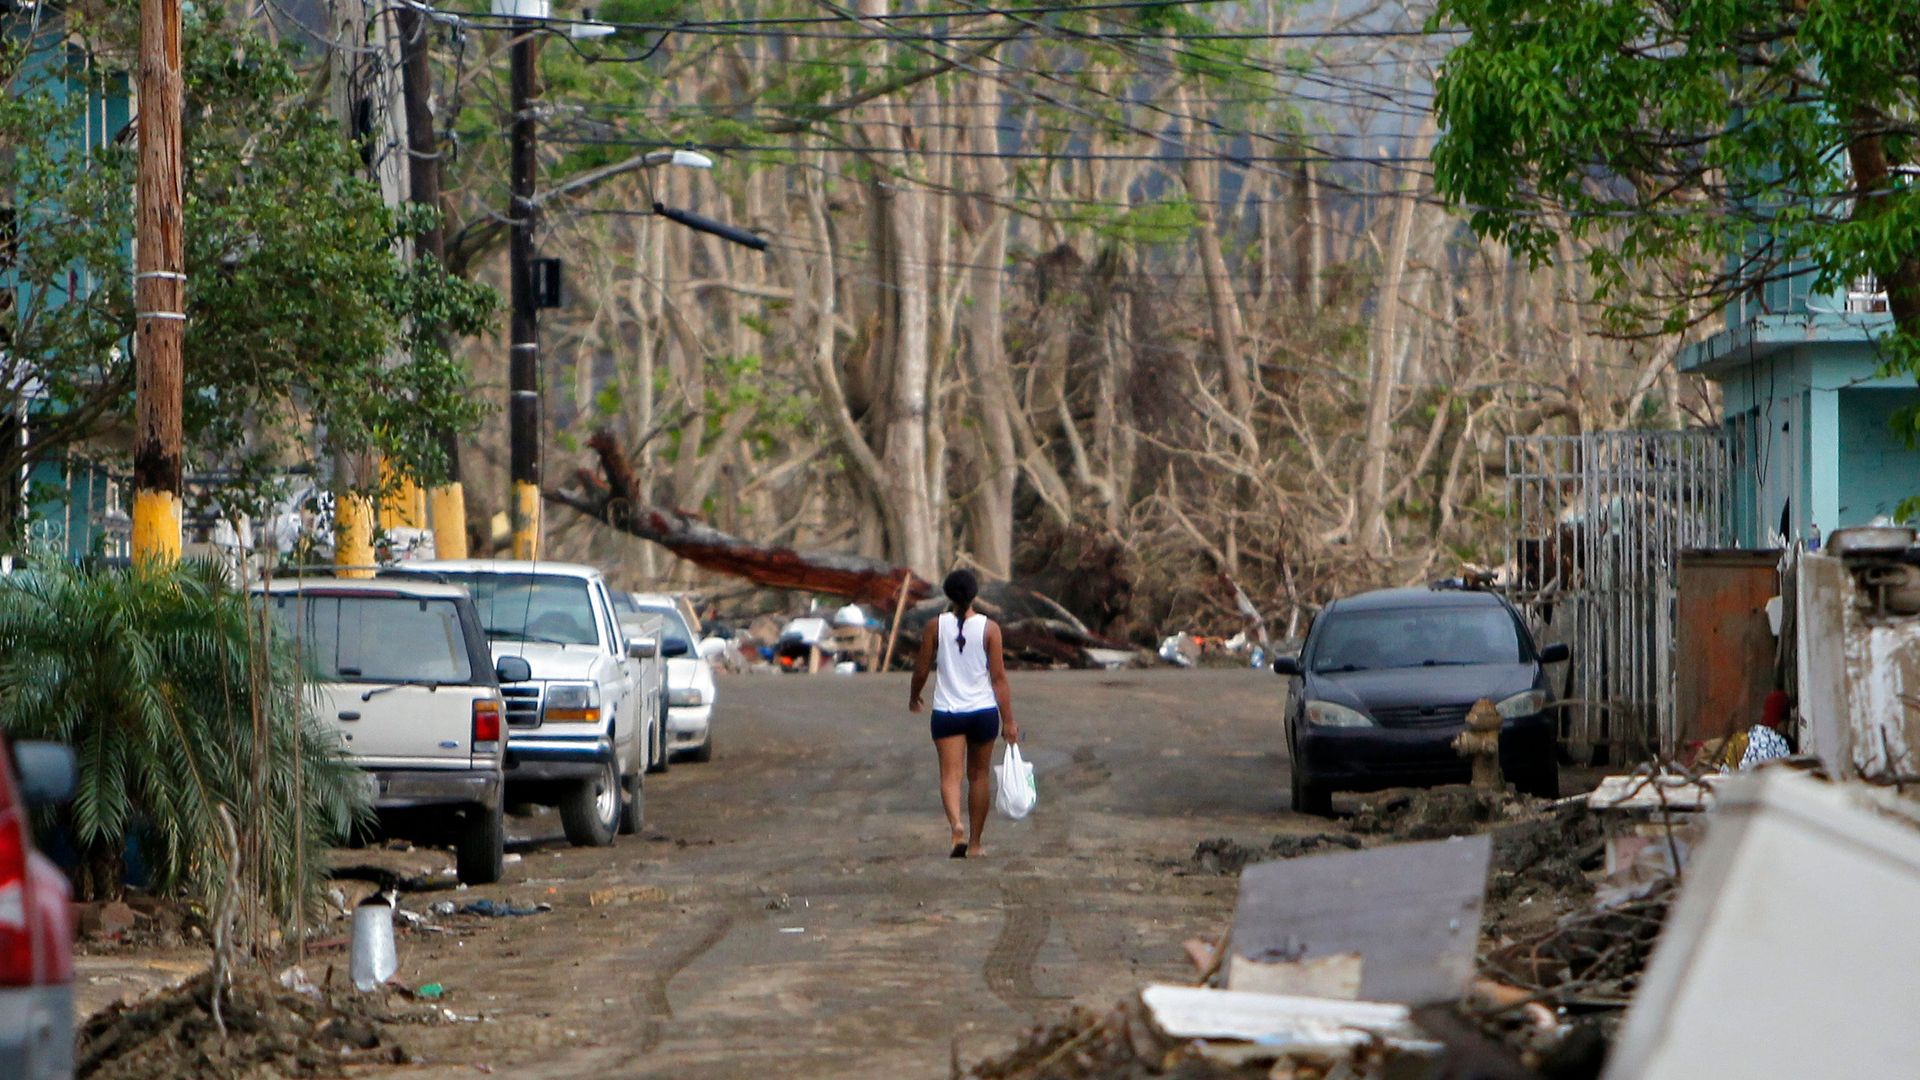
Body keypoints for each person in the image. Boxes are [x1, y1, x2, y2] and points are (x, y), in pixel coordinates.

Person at [909, 569, 1020, 858]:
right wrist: (1008, 720)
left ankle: (956, 824)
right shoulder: (990, 629)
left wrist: (914, 696)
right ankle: (975, 843)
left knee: (950, 775)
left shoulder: (935, 626)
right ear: (974, 595)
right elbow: (998, 678)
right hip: (983, 712)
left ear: (947, 594)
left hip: (947, 712)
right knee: (979, 777)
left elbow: (922, 668)